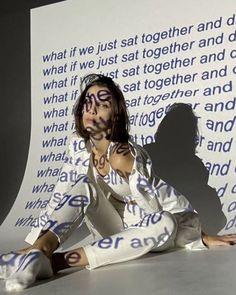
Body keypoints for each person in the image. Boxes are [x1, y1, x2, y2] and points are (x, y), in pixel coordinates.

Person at [1, 74, 236, 292]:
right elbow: (62, 195)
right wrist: (33, 246)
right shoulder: (78, 148)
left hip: (147, 233)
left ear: (116, 116)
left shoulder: (126, 155)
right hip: (110, 232)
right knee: (83, 184)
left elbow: (164, 199)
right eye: (88, 102)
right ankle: (40, 254)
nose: (92, 109)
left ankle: (56, 262)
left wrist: (200, 235)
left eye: (102, 104)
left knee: (164, 221)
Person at [144, 103, 227, 234]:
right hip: (188, 231)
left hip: (157, 229)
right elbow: (216, 220)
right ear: (192, 134)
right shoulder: (196, 166)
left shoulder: (145, 153)